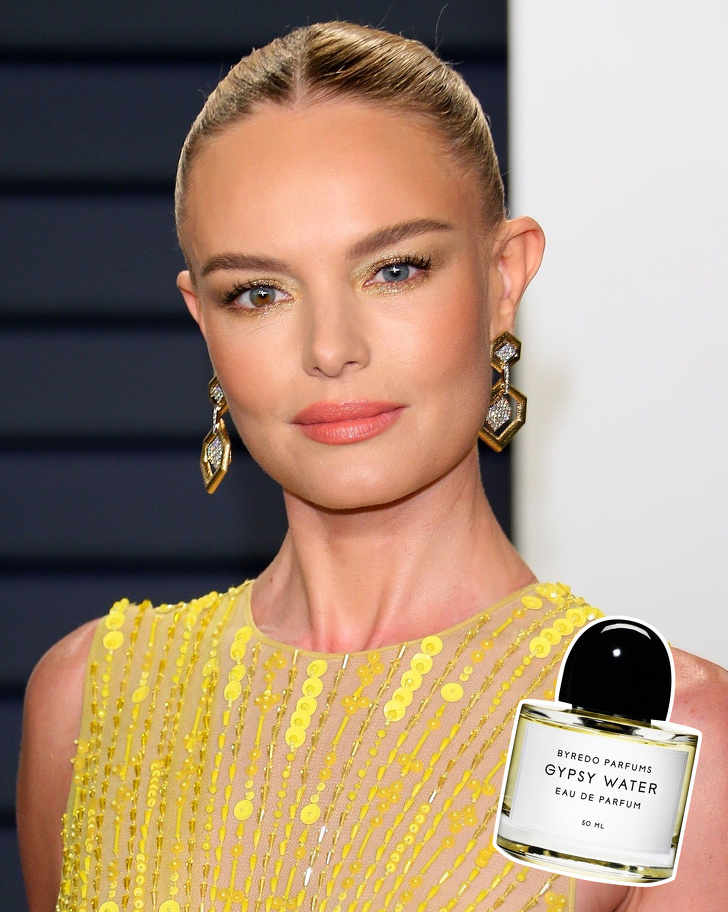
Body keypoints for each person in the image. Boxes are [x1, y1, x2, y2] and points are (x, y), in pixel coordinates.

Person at [16, 21, 728, 912]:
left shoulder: (660, 734)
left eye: (394, 270)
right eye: (259, 293)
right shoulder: (91, 702)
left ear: (504, 279)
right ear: (204, 319)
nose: (330, 348)